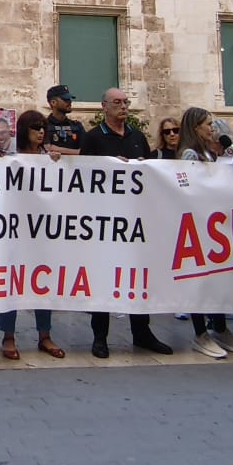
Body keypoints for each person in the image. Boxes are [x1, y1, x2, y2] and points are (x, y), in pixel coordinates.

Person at [81, 89, 171, 358]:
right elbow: (83, 174)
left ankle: (142, 332)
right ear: (104, 106)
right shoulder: (93, 138)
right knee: (103, 277)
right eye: (117, 102)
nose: (123, 107)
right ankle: (100, 337)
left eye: (126, 102)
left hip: (134, 220)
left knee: (136, 277)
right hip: (105, 220)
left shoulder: (137, 137)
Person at [174, 106, 233, 359]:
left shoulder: (209, 152)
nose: (211, 128)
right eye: (207, 124)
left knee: (217, 279)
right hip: (198, 224)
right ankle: (201, 334)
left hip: (213, 224)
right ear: (196, 128)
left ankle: (220, 327)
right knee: (200, 281)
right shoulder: (190, 154)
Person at [0, 111, 66, 360]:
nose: (41, 131)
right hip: (14, 228)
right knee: (11, 281)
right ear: (25, 130)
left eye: (43, 127)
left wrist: (56, 163)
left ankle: (44, 335)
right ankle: (8, 336)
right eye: (35, 127)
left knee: (42, 279)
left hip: (41, 229)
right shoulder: (10, 157)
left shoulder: (49, 157)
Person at [42, 85, 84, 158]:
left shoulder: (76, 126)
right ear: (53, 102)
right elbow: (45, 149)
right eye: (65, 99)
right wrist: (76, 152)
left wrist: (56, 149)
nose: (70, 102)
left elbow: (86, 150)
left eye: (69, 99)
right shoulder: (43, 126)